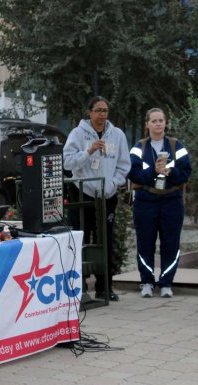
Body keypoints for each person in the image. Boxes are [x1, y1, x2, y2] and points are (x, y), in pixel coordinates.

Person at [63, 96, 131, 301]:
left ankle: (104, 287)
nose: (102, 114)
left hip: (106, 194)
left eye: (105, 110)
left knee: (105, 240)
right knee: (80, 240)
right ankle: (80, 288)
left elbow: (123, 164)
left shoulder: (117, 134)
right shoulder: (78, 134)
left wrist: (113, 183)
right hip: (82, 192)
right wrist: (88, 151)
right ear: (89, 112)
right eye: (98, 110)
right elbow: (67, 162)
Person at [128, 108, 192, 298]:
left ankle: (166, 283)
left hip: (171, 201)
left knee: (170, 243)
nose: (157, 124)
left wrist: (171, 173)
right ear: (147, 124)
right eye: (153, 121)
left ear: (166, 123)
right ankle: (146, 282)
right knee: (145, 243)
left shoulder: (177, 146)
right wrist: (154, 172)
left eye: (160, 120)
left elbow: (186, 172)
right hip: (145, 202)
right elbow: (133, 173)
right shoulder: (138, 148)